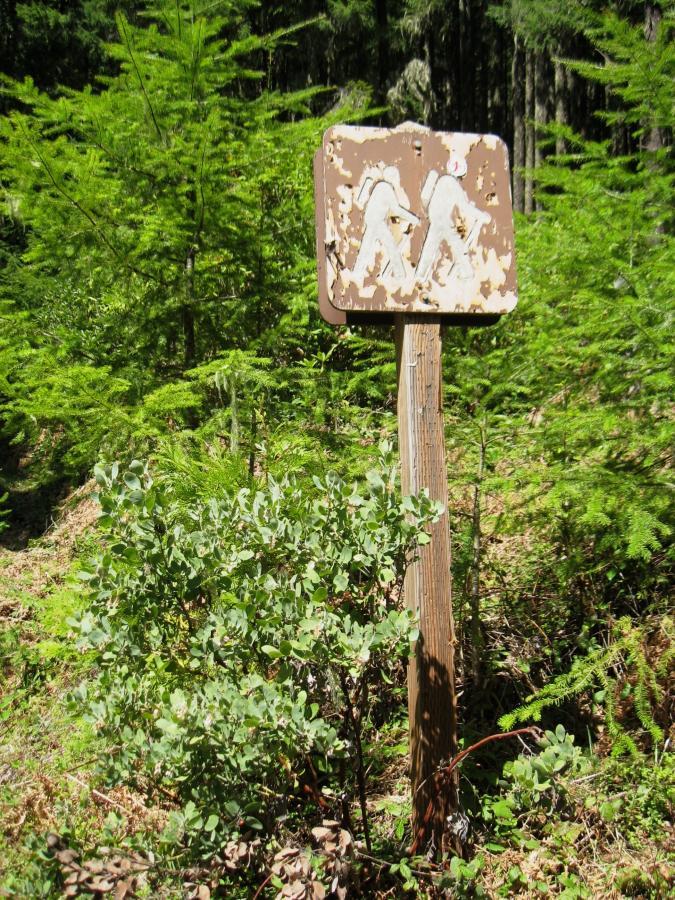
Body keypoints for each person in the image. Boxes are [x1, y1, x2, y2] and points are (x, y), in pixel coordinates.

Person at [416, 156, 491, 282]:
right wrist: (482, 216)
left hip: (435, 218)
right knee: (458, 245)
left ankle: (420, 274)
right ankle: (467, 273)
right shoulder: (452, 183)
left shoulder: (442, 180)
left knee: (430, 247)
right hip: (443, 221)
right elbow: (464, 206)